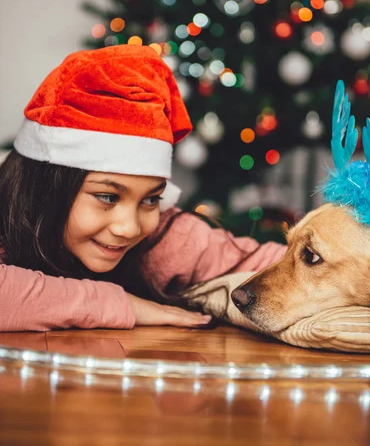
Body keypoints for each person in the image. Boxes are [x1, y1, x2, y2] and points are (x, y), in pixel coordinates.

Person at [0, 44, 286, 332]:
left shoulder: (165, 240)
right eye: (108, 197)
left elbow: (284, 267)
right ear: (47, 187)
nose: (129, 228)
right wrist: (118, 304)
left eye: (151, 199)